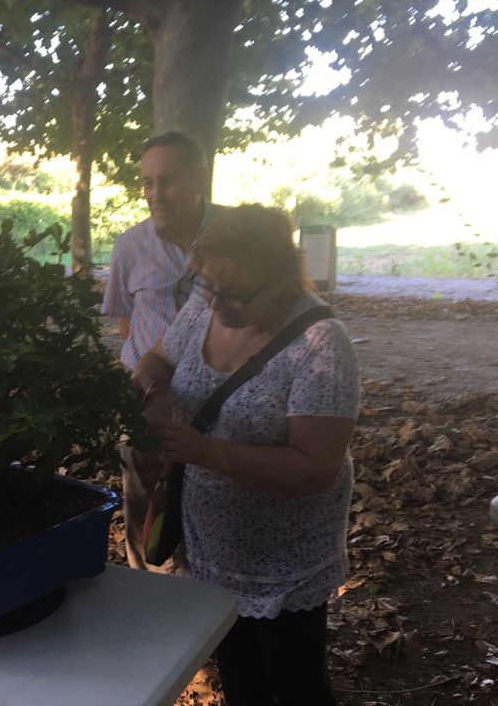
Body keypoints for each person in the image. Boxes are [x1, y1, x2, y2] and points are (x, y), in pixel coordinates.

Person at [132, 204, 359, 706]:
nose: (217, 303)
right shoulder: (204, 308)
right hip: (212, 548)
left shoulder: (322, 344)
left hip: (285, 560)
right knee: (240, 677)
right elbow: (160, 358)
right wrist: (146, 381)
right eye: (207, 285)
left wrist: (207, 452)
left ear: (281, 280)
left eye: (234, 293)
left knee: (297, 686)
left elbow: (315, 469)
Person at [101, 130, 223, 571]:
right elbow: (125, 323)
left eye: (168, 180)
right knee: (144, 509)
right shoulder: (129, 245)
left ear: (200, 179)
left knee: (213, 500)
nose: (155, 194)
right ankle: (148, 590)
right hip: (149, 399)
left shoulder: (236, 238)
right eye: (147, 183)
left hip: (220, 399)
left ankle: (208, 592)